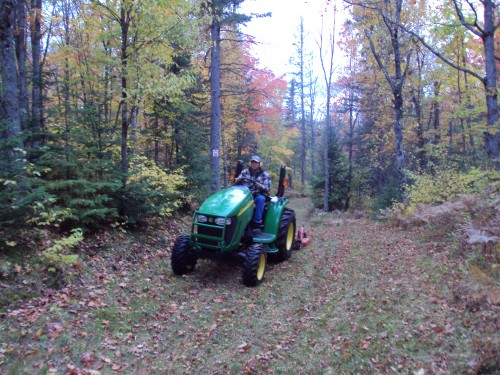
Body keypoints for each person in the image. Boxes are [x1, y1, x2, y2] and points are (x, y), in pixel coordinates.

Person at [234, 155, 271, 234]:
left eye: (256, 162)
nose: (254, 164)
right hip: (244, 194)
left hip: (257, 195)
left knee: (261, 199)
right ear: (250, 163)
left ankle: (256, 223)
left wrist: (260, 186)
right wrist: (237, 179)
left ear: (259, 164)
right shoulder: (245, 172)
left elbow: (267, 189)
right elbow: (235, 182)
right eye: (252, 162)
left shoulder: (265, 175)